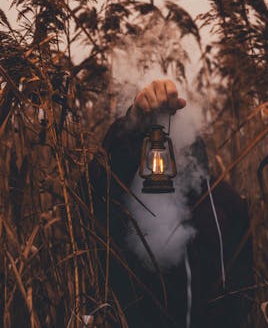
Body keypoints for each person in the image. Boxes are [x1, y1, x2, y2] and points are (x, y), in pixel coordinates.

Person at [88, 80, 253, 327]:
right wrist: (133, 123)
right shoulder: (123, 197)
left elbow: (242, 291)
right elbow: (95, 191)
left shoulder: (225, 204)